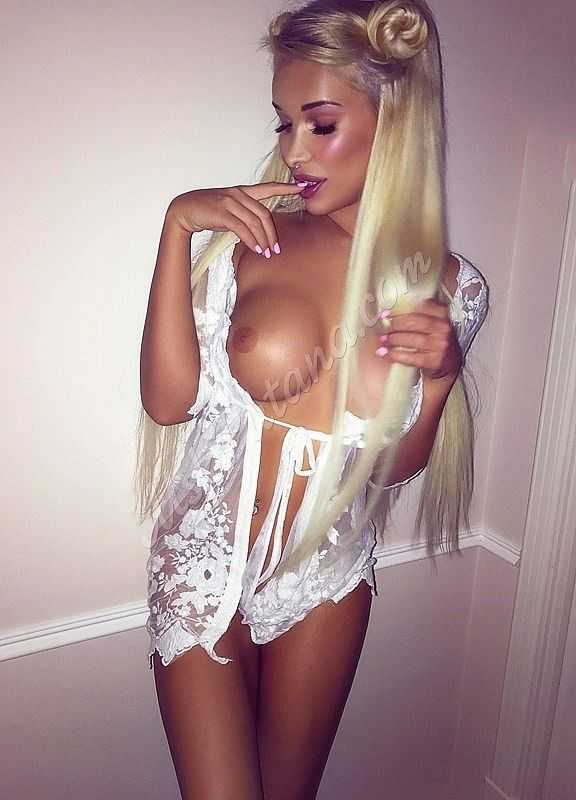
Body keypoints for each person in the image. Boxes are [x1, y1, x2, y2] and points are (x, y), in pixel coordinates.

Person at [134, 1, 489, 797]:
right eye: (284, 121)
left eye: (319, 124)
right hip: (205, 559)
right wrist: (176, 227)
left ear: (397, 123)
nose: (293, 149)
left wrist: (438, 381)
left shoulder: (454, 287)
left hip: (328, 575)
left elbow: (393, 468)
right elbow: (167, 404)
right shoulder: (255, 236)